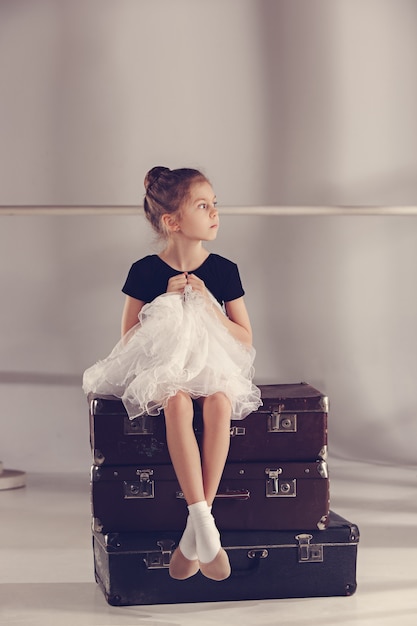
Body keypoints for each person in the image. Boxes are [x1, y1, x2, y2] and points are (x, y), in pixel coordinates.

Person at [83, 166, 262, 582]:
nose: (215, 212)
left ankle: (196, 528)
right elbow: (127, 340)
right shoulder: (144, 271)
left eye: (216, 204)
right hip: (164, 367)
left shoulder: (223, 270)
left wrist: (209, 306)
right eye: (204, 205)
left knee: (218, 401)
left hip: (211, 365)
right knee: (176, 404)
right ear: (173, 221)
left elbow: (245, 338)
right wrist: (162, 300)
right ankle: (204, 525)